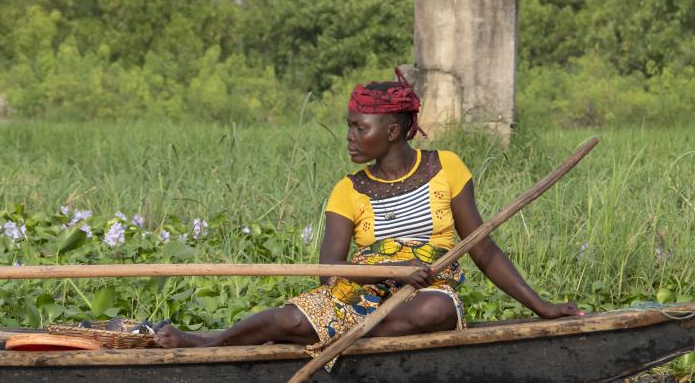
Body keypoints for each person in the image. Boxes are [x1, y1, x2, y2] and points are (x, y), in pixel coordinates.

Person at [155, 69, 580, 350]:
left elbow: (483, 251)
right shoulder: (348, 190)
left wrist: (540, 307)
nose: (351, 137)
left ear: (393, 131)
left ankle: (332, 336)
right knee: (286, 319)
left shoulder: (446, 167)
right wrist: (390, 273)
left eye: (361, 127)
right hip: (360, 295)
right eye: (349, 127)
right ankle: (206, 343)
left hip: (425, 294)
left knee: (437, 311)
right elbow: (329, 269)